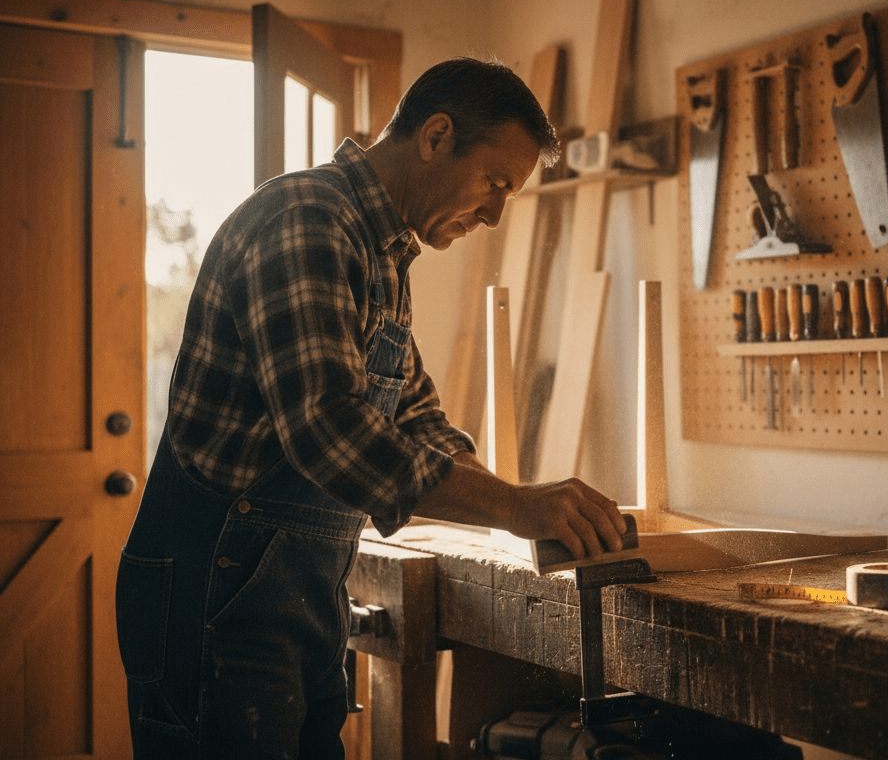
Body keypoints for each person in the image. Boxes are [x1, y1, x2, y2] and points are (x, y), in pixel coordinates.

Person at [115, 57, 628, 759]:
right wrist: (515, 508)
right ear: (436, 135)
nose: (495, 213)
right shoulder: (306, 222)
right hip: (217, 594)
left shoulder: (381, 253)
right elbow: (328, 429)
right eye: (495, 183)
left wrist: (520, 503)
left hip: (297, 594)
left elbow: (418, 421)